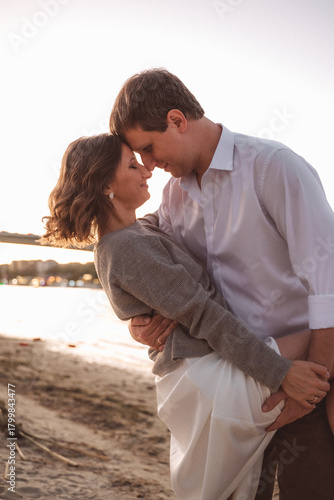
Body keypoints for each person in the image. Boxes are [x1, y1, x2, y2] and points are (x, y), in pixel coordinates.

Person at [42, 133, 332, 500]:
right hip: (208, 372)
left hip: (206, 365)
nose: (147, 169)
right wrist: (281, 373)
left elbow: (154, 277)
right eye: (133, 164)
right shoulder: (127, 247)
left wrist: (139, 323)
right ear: (105, 186)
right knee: (321, 338)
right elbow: (205, 316)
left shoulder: (135, 233)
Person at [109, 68, 334, 499]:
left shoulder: (273, 167)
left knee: (312, 488)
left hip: (309, 370)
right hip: (240, 384)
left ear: (177, 120)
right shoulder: (174, 198)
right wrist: (139, 322)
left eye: (149, 150)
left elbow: (329, 285)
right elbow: (146, 259)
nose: (151, 168)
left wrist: (310, 392)